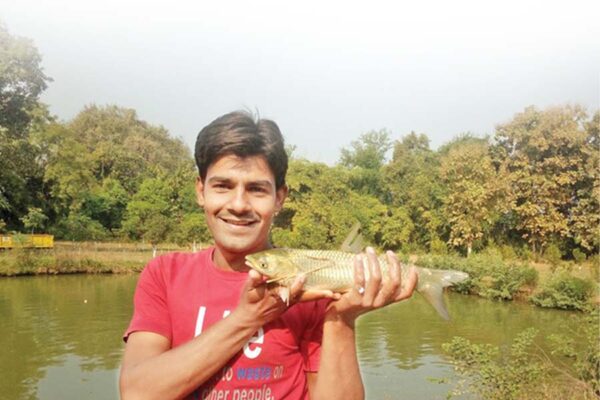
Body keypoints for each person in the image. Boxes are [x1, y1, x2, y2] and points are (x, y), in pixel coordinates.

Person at [119, 111, 418, 400]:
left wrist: (341, 319)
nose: (238, 204)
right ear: (201, 191)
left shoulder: (313, 287)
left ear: (279, 198)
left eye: (256, 189)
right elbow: (137, 393)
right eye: (222, 186)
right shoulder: (164, 274)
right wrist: (248, 318)